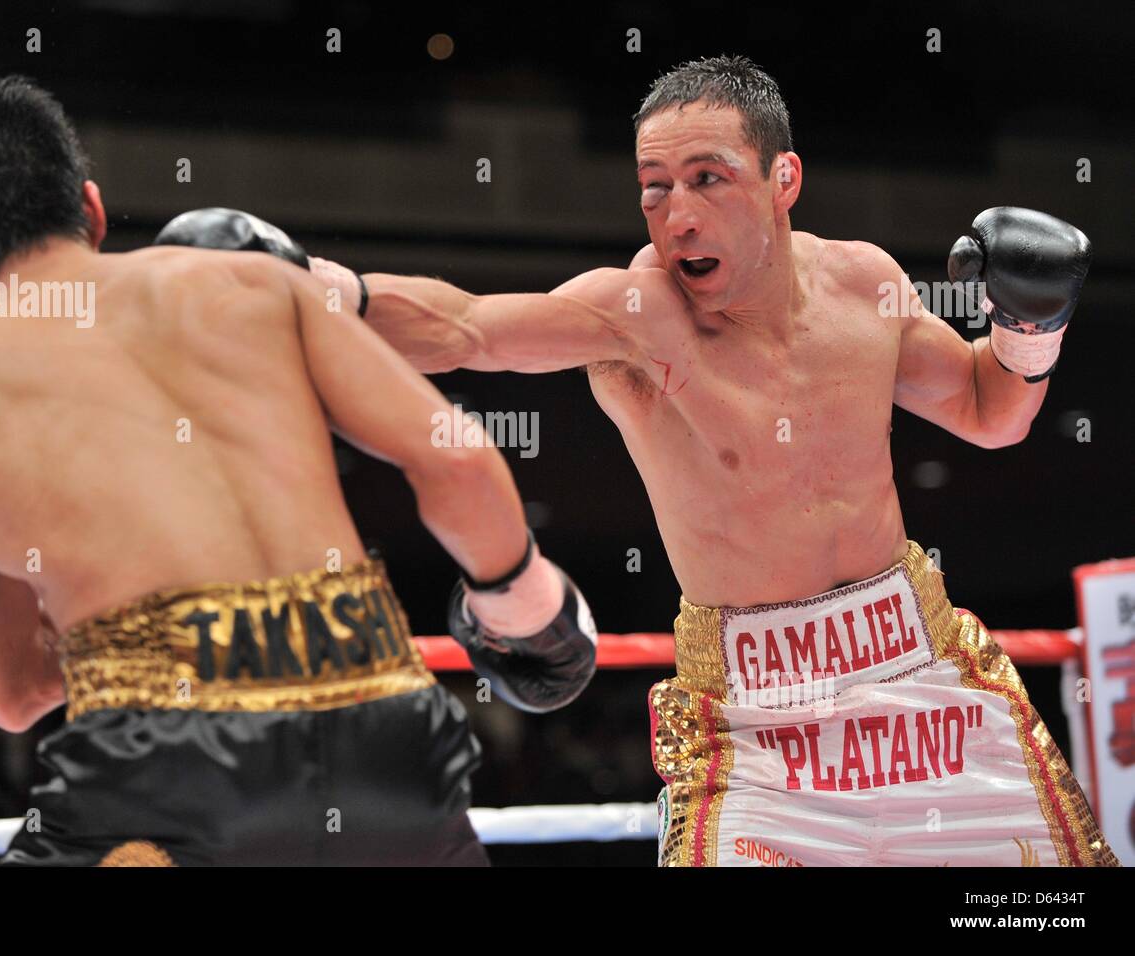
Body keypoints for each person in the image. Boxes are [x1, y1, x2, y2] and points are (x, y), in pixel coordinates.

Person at [305, 55, 1117, 866]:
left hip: (925, 690)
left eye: (708, 179)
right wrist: (319, 290)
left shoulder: (863, 284)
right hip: (759, 728)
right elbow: (467, 328)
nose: (676, 217)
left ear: (783, 179)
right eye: (654, 186)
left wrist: (1028, 330)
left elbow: (991, 412)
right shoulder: (640, 315)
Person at [0, 75, 595, 866]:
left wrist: (121, 617)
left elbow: (10, 693)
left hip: (167, 758)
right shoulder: (254, 284)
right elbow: (455, 457)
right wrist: (523, 604)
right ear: (91, 207)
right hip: (384, 723)